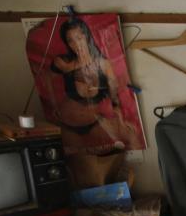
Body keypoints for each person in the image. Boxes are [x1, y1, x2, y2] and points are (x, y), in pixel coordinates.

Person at [50, 17, 140, 152]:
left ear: (87, 37)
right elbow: (53, 74)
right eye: (70, 40)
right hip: (66, 124)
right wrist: (54, 104)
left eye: (79, 38)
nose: (76, 44)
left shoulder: (103, 64)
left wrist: (120, 120)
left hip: (95, 122)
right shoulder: (64, 61)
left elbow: (114, 95)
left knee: (132, 141)